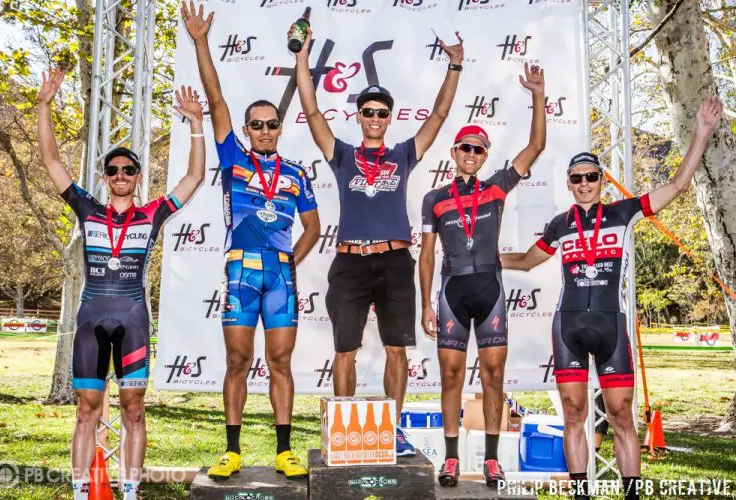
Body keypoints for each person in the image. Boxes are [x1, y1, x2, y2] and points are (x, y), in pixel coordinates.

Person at [500, 97, 722, 500]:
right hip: (568, 327)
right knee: (573, 415)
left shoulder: (622, 213)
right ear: (569, 183)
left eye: (591, 177)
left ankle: (631, 493)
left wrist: (700, 134)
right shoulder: (559, 224)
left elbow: (677, 185)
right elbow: (527, 262)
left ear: (601, 181)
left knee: (621, 416)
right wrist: (482, 258)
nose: (584, 184)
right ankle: (581, 493)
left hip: (611, 328)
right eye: (577, 178)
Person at [293, 26, 464, 456]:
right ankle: (344, 432)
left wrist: (455, 63)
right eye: (367, 110)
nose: (373, 117)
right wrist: (302, 56)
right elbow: (312, 113)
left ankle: (394, 430)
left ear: (389, 118)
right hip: (350, 261)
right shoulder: (342, 154)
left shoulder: (403, 153)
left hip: (394, 261)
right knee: (344, 349)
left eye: (381, 112)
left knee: (396, 349)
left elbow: (439, 117)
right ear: (358, 116)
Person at [38, 66, 205, 500]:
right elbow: (52, 161)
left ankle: (129, 492)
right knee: (84, 413)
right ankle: (80, 493)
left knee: (133, 411)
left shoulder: (152, 214)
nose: (119, 175)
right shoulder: (87, 209)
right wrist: (43, 106)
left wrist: (197, 126)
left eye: (128, 169)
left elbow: (194, 178)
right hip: (92, 316)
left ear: (137, 175)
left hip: (131, 319)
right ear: (105, 176)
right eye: (112, 169)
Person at [181, 1, 321, 480]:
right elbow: (216, 99)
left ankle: (284, 450)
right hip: (241, 270)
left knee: (280, 361)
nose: (264, 130)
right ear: (246, 130)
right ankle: (233, 449)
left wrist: (291, 262)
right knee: (237, 360)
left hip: (279, 273)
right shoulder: (233, 157)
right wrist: (201, 42)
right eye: (256, 124)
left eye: (271, 124)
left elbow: (314, 228)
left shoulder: (297, 173)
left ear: (281, 128)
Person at [419, 63, 546, 486]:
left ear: (485, 156)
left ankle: (492, 458)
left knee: (493, 375)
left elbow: (536, 146)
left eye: (479, 149)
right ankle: (452, 458)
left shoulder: (496, 188)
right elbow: (426, 255)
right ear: (454, 153)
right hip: (451, 293)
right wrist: (426, 305)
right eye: (465, 148)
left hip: (489, 290)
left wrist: (538, 96)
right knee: (451, 376)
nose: (472, 155)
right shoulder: (434, 199)